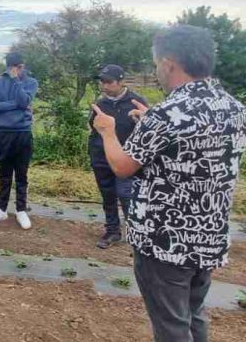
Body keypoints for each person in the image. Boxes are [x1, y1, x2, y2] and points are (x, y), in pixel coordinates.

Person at [92, 25, 246, 342]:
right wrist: (151, 121)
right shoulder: (234, 108)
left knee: (171, 327)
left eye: (156, 62)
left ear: (169, 63)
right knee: (193, 315)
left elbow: (122, 166)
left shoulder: (167, 114)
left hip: (166, 245)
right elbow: (197, 147)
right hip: (209, 238)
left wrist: (107, 131)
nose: (156, 69)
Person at [88, 64, 148, 249]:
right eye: (102, 82)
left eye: (109, 82)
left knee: (126, 194)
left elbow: (149, 131)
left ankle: (137, 232)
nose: (105, 86)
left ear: (121, 82)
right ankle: (112, 231)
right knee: (108, 194)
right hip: (101, 156)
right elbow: (94, 127)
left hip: (126, 159)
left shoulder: (136, 102)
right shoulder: (100, 104)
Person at [0, 52, 39, 229]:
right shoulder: (0, 81)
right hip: (3, 133)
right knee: (5, 173)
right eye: (11, 68)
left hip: (23, 132)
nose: (13, 71)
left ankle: (21, 210)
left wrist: (17, 83)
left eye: (17, 68)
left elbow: (25, 101)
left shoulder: (31, 82)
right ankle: (1, 209)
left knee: (22, 174)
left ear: (22, 67)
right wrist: (16, 105)